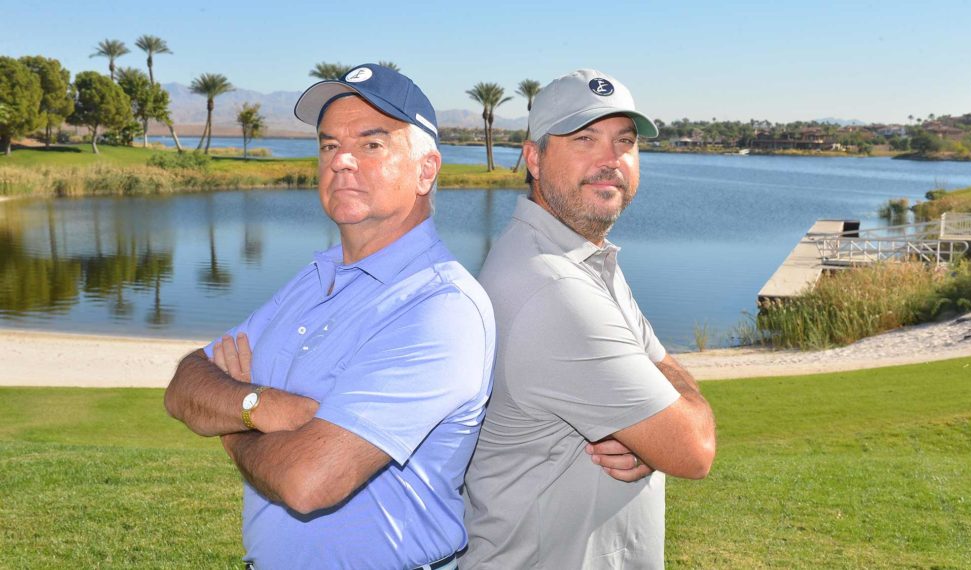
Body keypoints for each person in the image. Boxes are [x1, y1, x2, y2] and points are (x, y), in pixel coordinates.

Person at [164, 63, 495, 570]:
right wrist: (265, 406)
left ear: (426, 169)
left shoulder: (442, 308)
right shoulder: (315, 276)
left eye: (371, 144)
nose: (341, 160)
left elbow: (307, 482)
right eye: (327, 145)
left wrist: (232, 427)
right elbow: (185, 384)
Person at [462, 69, 716, 569]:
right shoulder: (554, 287)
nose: (611, 160)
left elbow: (662, 371)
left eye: (625, 141)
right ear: (534, 159)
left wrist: (646, 430)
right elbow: (694, 448)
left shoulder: (585, 258)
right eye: (585, 139)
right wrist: (665, 424)